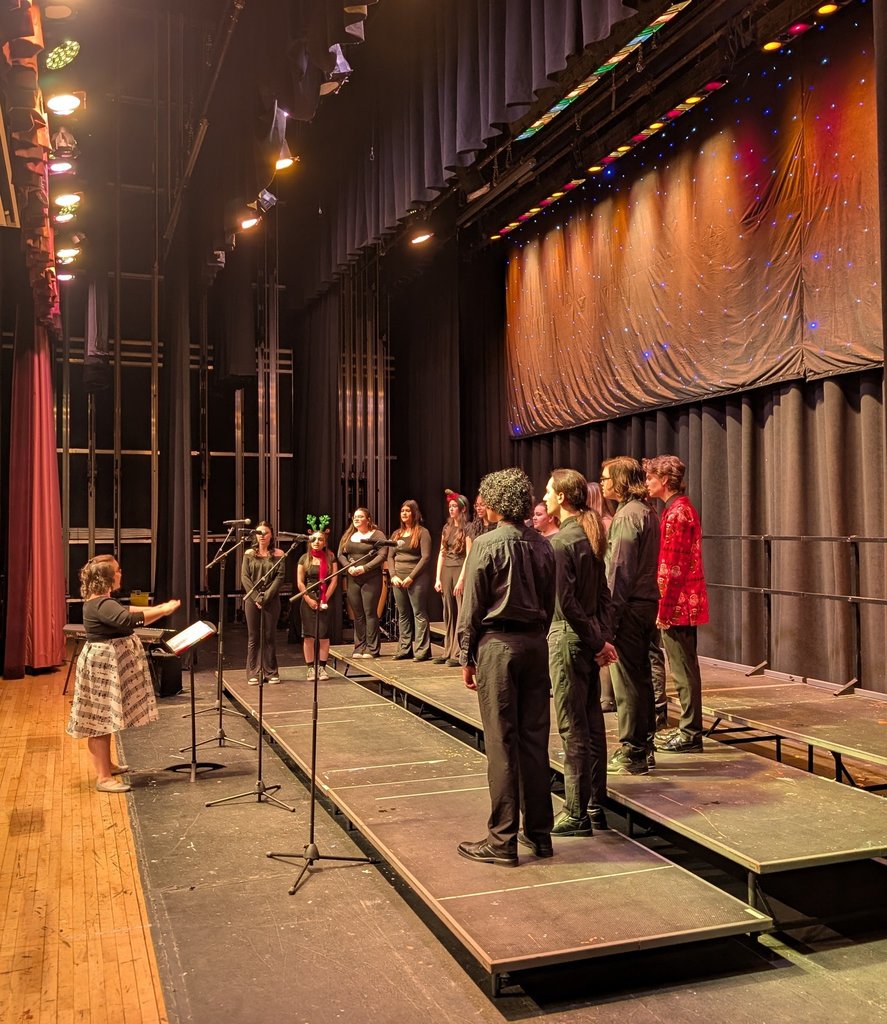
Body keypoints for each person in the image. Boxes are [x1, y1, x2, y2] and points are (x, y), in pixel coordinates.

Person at [456, 468, 556, 866]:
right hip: (535, 645)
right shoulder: (543, 545)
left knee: (501, 744)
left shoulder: (485, 544)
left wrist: (466, 656)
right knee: (534, 742)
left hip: (498, 646)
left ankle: (502, 840)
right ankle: (540, 835)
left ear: (497, 502)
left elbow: (472, 607)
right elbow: (549, 602)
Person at [543, 469, 618, 837]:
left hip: (568, 639)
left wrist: (598, 642)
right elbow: (604, 596)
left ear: (562, 498)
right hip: (586, 639)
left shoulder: (561, 542)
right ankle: (594, 806)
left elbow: (567, 603)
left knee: (573, 727)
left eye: (548, 492)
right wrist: (602, 639)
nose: (544, 497)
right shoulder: (588, 536)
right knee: (592, 725)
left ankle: (576, 813)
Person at [66, 554, 180, 793]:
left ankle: (106, 765)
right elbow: (129, 619)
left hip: (105, 663)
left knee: (105, 718)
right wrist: (164, 610)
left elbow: (126, 609)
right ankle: (103, 778)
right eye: (117, 570)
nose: (120, 573)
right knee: (100, 722)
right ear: (107, 577)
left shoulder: (103, 602)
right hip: (102, 666)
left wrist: (159, 608)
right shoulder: (102, 604)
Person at [645, 455, 710, 752]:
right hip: (679, 601)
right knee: (683, 669)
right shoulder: (676, 509)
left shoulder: (677, 513)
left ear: (664, 480)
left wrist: (664, 608)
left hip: (678, 603)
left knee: (683, 670)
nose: (647, 483)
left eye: (650, 477)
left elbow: (672, 567)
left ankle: (691, 733)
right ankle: (689, 729)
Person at [601, 457, 660, 775]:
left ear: (621, 481)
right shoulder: (646, 511)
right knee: (640, 678)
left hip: (630, 607)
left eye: (606, 478)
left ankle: (633, 751)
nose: (603, 483)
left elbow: (619, 571)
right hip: (645, 604)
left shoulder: (627, 516)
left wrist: (608, 619)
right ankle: (644, 746)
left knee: (627, 682)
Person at [338, 507, 387, 657]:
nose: (356, 519)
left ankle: (372, 648)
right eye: (355, 517)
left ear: (368, 519)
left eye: (360, 516)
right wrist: (349, 567)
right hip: (353, 578)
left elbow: (382, 555)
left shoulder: (377, 534)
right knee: (358, 614)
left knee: (370, 612)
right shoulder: (349, 535)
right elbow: (341, 554)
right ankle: (359, 647)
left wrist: (365, 568)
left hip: (371, 578)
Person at [388, 499, 433, 661]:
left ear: (414, 513)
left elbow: (426, 557)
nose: (404, 513)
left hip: (417, 578)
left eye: (407, 511)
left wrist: (411, 577)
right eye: (402, 511)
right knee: (403, 614)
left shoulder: (422, 532)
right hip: (398, 579)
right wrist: (393, 575)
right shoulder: (396, 534)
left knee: (419, 613)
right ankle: (404, 648)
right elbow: (390, 556)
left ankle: (422, 650)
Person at [242, 521, 286, 684]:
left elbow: (279, 577)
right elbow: (245, 577)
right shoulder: (248, 554)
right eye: (259, 533)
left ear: (271, 535)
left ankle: (270, 671)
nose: (262, 536)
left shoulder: (279, 554)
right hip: (252, 600)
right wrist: (256, 597)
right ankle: (253, 671)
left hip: (271, 599)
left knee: (269, 636)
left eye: (265, 533)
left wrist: (265, 597)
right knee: (254, 636)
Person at [296, 529, 338, 681]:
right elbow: (300, 582)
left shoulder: (330, 557)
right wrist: (308, 599)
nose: (316, 542)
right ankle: (310, 668)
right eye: (313, 539)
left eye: (320, 539)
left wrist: (325, 599)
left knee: (323, 635)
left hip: (325, 598)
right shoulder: (304, 558)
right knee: (309, 636)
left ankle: (322, 668)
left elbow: (334, 580)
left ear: (324, 542)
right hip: (309, 598)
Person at [433, 490, 469, 667]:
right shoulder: (447, 528)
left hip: (460, 568)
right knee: (448, 611)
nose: (451, 509)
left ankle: (458, 651)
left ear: (463, 509)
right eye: (450, 506)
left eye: (455, 506)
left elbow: (469, 555)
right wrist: (437, 578)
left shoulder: (467, 528)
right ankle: (447, 650)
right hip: (447, 570)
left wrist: (462, 579)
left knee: (460, 610)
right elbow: (442, 552)